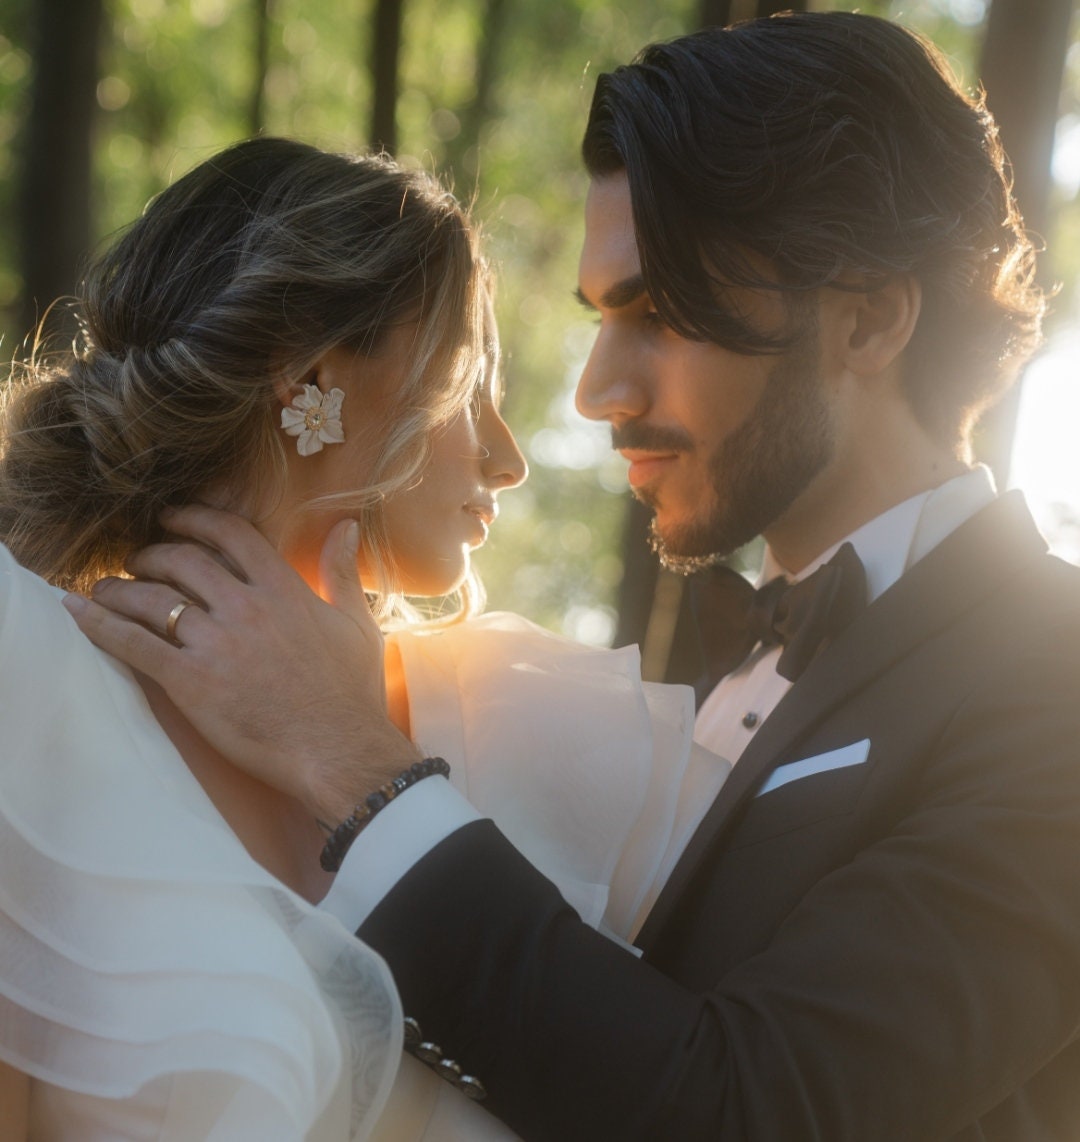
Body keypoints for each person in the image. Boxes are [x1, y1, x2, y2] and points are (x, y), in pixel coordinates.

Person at [67, 11, 1080, 1142]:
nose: (597, 390)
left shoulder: (1052, 678)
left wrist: (353, 759)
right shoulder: (729, 669)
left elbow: (748, 1107)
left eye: (659, 315)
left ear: (871, 318)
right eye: (600, 320)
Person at [0, 137, 708, 1139]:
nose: (508, 459)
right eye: (469, 386)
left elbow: (769, 1077)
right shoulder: (23, 695)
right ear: (315, 381)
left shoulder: (543, 716)